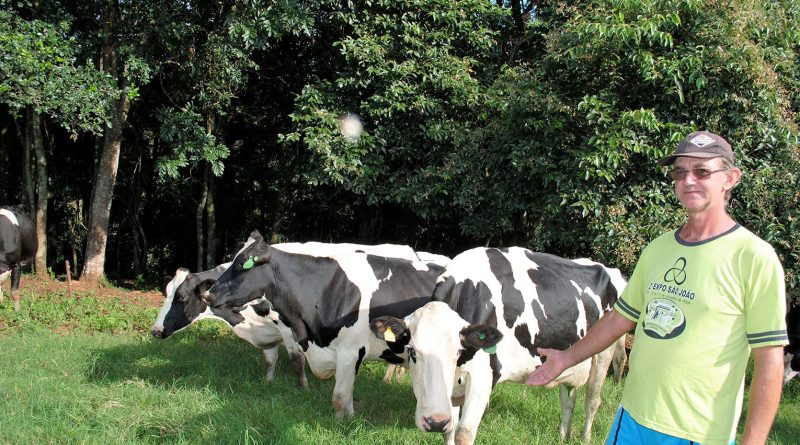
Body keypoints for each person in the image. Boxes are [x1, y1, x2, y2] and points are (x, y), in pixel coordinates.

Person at [526, 131, 787, 445]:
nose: (689, 180)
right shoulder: (658, 248)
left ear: (730, 178)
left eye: (702, 171)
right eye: (680, 172)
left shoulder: (754, 258)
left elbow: (770, 361)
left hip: (699, 434)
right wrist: (567, 358)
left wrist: (753, 441)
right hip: (632, 420)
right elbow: (620, 318)